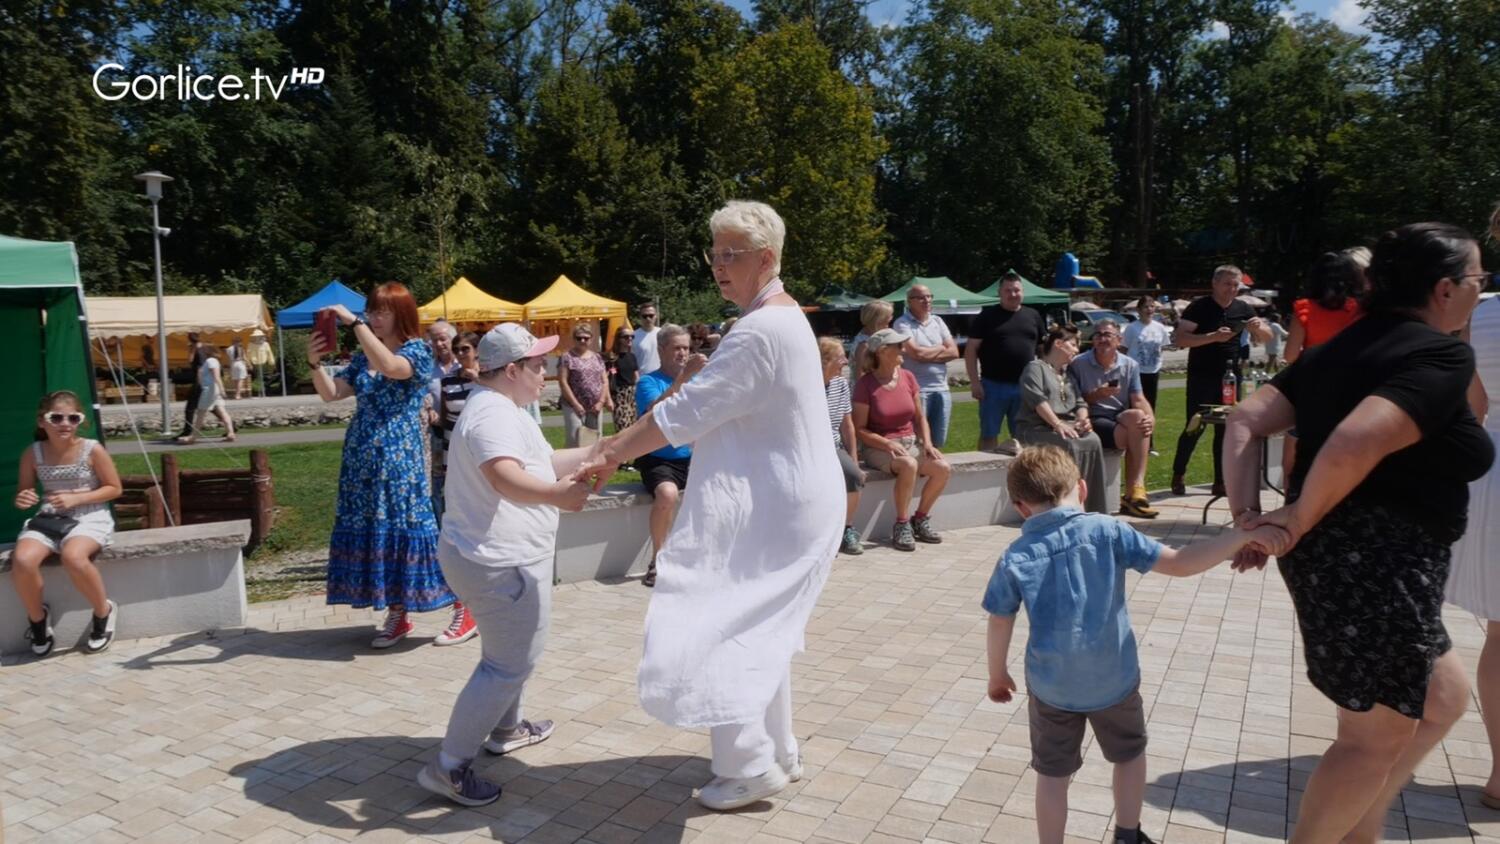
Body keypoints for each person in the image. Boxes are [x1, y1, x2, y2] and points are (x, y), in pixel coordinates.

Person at [1225, 222, 1493, 843]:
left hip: (1351, 562)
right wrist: (1291, 518)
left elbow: (1245, 421)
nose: (1483, 291)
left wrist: (1249, 520)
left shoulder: (1341, 349)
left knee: (1443, 697)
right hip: (1375, 567)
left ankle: (1360, 831)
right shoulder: (1437, 353)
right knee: (1371, 738)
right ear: (1446, 289)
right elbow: (1356, 439)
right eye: (1479, 279)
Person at [573, 200, 842, 811]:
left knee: (720, 618)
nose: (718, 265)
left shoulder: (759, 330)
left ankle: (747, 765)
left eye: (731, 255)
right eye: (714, 253)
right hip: (792, 498)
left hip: (778, 504)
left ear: (766, 258)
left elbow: (680, 415)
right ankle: (778, 748)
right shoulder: (782, 316)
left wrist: (609, 451)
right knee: (760, 624)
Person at [985, 446, 1285, 844]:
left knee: (1052, 775)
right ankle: (1128, 835)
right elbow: (1180, 563)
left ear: (1021, 508)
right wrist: (1237, 537)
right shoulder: (1107, 532)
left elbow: (1000, 619)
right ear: (1082, 487)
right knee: (1128, 755)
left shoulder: (1016, 555)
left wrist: (997, 673)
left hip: (1052, 686)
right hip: (1114, 677)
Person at [417, 323, 594, 807]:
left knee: (509, 658)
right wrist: (562, 497)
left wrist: (602, 451)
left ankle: (506, 729)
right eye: (538, 365)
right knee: (508, 664)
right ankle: (449, 767)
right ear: (512, 370)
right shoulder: (492, 415)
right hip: (499, 562)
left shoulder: (504, 408)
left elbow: (537, 462)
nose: (548, 372)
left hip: (496, 556)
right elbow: (505, 477)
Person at [307, 283, 470, 649]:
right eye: (371, 311)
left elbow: (392, 367)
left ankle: (464, 606)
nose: (374, 318)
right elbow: (332, 394)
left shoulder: (418, 351)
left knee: (418, 532)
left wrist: (355, 325)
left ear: (401, 315)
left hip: (401, 461)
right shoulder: (365, 356)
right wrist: (314, 363)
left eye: (382, 312)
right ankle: (398, 613)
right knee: (381, 536)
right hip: (363, 460)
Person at [1445, 205, 1500, 808]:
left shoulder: (1482, 316)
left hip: (1495, 469)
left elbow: (1478, 407)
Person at [9, 391, 123, 657]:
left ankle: (103, 612)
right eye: (56, 417)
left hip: (90, 515)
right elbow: (24, 492)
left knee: (73, 555)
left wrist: (78, 498)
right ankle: (37, 620)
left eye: (73, 417)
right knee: (23, 560)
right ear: (42, 421)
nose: (65, 423)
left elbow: (114, 488)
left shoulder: (92, 448)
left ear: (79, 421)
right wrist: (23, 499)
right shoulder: (33, 453)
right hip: (50, 518)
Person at [1170, 266, 1272, 496]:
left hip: (1230, 377)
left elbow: (1267, 336)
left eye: (1236, 285)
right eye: (1227, 284)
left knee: (1227, 430)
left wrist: (1259, 328)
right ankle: (1178, 474)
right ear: (1215, 283)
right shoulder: (1199, 307)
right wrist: (1213, 337)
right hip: (1201, 376)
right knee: (1194, 426)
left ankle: (1220, 480)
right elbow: (1180, 339)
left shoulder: (1243, 307)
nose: (1232, 289)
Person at [853, 327, 951, 551]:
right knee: (908, 465)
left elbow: (919, 417)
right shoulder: (865, 385)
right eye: (898, 346)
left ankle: (921, 518)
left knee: (942, 468)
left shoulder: (908, 377)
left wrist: (927, 443)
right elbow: (860, 429)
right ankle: (902, 524)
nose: (903, 350)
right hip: (879, 447)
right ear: (883, 351)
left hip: (910, 444)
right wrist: (887, 443)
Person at [1280, 252, 1368, 485]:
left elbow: (1289, 355)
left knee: (1295, 461)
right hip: (1352, 391)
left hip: (1312, 390)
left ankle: (1293, 508)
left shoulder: (1304, 308)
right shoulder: (1360, 309)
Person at [1068, 320, 1158, 518]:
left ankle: (1137, 486)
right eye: (1098, 335)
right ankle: (1133, 495)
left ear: (1119, 340)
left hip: (1118, 414)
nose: (1102, 339)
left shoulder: (1130, 364)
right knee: (1135, 434)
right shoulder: (1079, 363)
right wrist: (1098, 394)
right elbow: (1076, 400)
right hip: (1091, 415)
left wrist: (1151, 419)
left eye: (1107, 335)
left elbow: (1138, 398)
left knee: (1139, 417)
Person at [1016, 326, 1108, 514]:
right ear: (1058, 344)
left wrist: (1083, 420)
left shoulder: (1068, 374)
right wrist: (1057, 424)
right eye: (1073, 345)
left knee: (1093, 440)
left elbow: (1080, 403)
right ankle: (1065, 506)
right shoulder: (1035, 368)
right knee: (1069, 444)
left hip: (1066, 426)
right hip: (1035, 427)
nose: (1076, 350)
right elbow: (1037, 400)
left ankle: (1094, 506)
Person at [633, 324, 699, 587]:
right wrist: (682, 380)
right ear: (661, 351)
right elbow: (653, 412)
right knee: (667, 495)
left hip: (692, 456)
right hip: (659, 459)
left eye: (686, 348)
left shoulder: (698, 381)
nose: (683, 353)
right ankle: (657, 560)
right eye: (677, 348)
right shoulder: (648, 381)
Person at [966, 272, 1046, 455]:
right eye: (1008, 290)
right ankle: (985, 475)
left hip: (1025, 387)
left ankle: (1020, 477)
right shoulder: (986, 316)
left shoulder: (1033, 316)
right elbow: (971, 350)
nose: (1013, 294)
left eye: (1016, 290)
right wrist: (975, 382)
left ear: (1023, 292)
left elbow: (1043, 351)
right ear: (1000, 293)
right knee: (989, 434)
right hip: (992, 386)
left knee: (1022, 435)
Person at [427, 332, 481, 538]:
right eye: (456, 349)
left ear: (476, 351)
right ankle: (458, 534)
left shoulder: (488, 377)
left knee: (479, 487)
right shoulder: (448, 380)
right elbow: (444, 415)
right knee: (457, 491)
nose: (459, 353)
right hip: (452, 444)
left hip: (477, 443)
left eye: (465, 349)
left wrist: (477, 379)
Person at [894, 283, 961, 448]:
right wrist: (939, 348)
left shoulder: (938, 321)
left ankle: (935, 471)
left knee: (939, 440)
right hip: (918, 390)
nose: (927, 300)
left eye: (929, 296)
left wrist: (925, 355)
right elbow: (917, 354)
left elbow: (954, 352)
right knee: (919, 440)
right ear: (909, 301)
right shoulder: (902, 324)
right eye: (921, 297)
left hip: (942, 389)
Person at [819, 337, 865, 556]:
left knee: (854, 476)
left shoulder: (840, 384)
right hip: (809, 449)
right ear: (824, 360)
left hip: (833, 446)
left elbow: (848, 425)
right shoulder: (806, 385)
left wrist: (854, 458)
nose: (845, 361)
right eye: (840, 357)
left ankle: (846, 529)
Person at [1120, 297, 1171, 455]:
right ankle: (1127, 442)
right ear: (1139, 310)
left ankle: (1149, 444)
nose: (1149, 310)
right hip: (1136, 373)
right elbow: (1123, 349)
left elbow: (1162, 348)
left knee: (1150, 408)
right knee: (1133, 408)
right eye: (1146, 307)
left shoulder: (1160, 327)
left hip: (1153, 372)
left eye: (1152, 307)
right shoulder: (1132, 328)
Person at [558, 324, 611, 447]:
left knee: (593, 440)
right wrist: (576, 404)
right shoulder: (567, 357)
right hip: (573, 406)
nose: (582, 340)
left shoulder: (597, 357)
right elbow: (563, 381)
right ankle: (570, 465)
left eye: (586, 338)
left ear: (591, 339)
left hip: (595, 406)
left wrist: (601, 402)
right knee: (574, 439)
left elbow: (604, 380)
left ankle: (591, 466)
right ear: (574, 339)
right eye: (579, 338)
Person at [176, 344, 236, 444]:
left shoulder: (210, 361)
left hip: (209, 390)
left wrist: (222, 389)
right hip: (213, 389)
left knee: (201, 413)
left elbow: (216, 376)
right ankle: (230, 433)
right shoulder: (211, 361)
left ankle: (193, 437)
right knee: (222, 411)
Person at [850, 299, 893, 380]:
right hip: (868, 390)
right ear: (878, 320)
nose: (891, 318)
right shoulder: (864, 344)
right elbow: (860, 376)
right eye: (888, 317)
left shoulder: (873, 337)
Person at [606, 326, 639, 435]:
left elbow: (636, 376)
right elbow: (606, 378)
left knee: (634, 427)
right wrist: (608, 398)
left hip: (632, 394)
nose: (630, 339)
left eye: (632, 337)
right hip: (619, 395)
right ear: (619, 339)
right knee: (622, 427)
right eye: (626, 337)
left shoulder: (632, 356)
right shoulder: (612, 358)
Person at [174, 332, 206, 439]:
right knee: (214, 407)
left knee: (190, 408)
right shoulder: (201, 348)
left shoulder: (198, 350)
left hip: (200, 381)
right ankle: (231, 426)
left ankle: (187, 430)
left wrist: (199, 383)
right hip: (203, 381)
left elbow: (196, 365)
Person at [631, 303, 661, 376]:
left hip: (662, 377)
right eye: (644, 316)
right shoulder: (632, 336)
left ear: (656, 316)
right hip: (642, 378)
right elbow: (630, 361)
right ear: (640, 317)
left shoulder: (663, 333)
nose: (648, 319)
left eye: (651, 315)